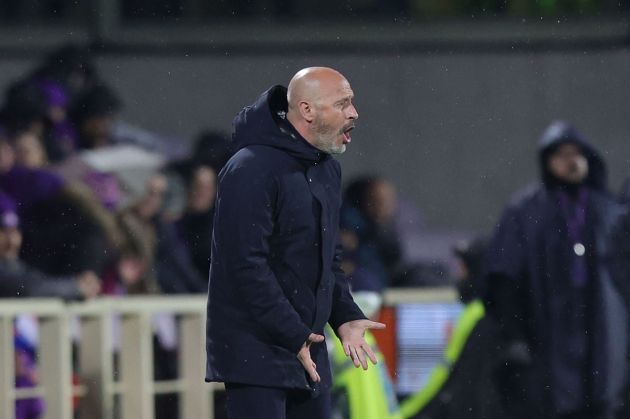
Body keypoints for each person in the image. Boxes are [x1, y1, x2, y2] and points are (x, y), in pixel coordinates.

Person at [205, 67, 385, 419]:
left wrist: (345, 316)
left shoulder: (327, 169)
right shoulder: (249, 168)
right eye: (343, 103)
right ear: (307, 110)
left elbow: (328, 260)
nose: (354, 113)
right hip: (256, 355)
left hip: (309, 349)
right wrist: (294, 334)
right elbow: (245, 265)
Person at [485, 121, 628, 419]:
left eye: (577, 154)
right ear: (548, 161)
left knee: (602, 396)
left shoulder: (610, 213)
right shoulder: (526, 211)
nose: (572, 161)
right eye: (562, 154)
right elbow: (504, 276)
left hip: (601, 329)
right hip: (546, 332)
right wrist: (514, 336)